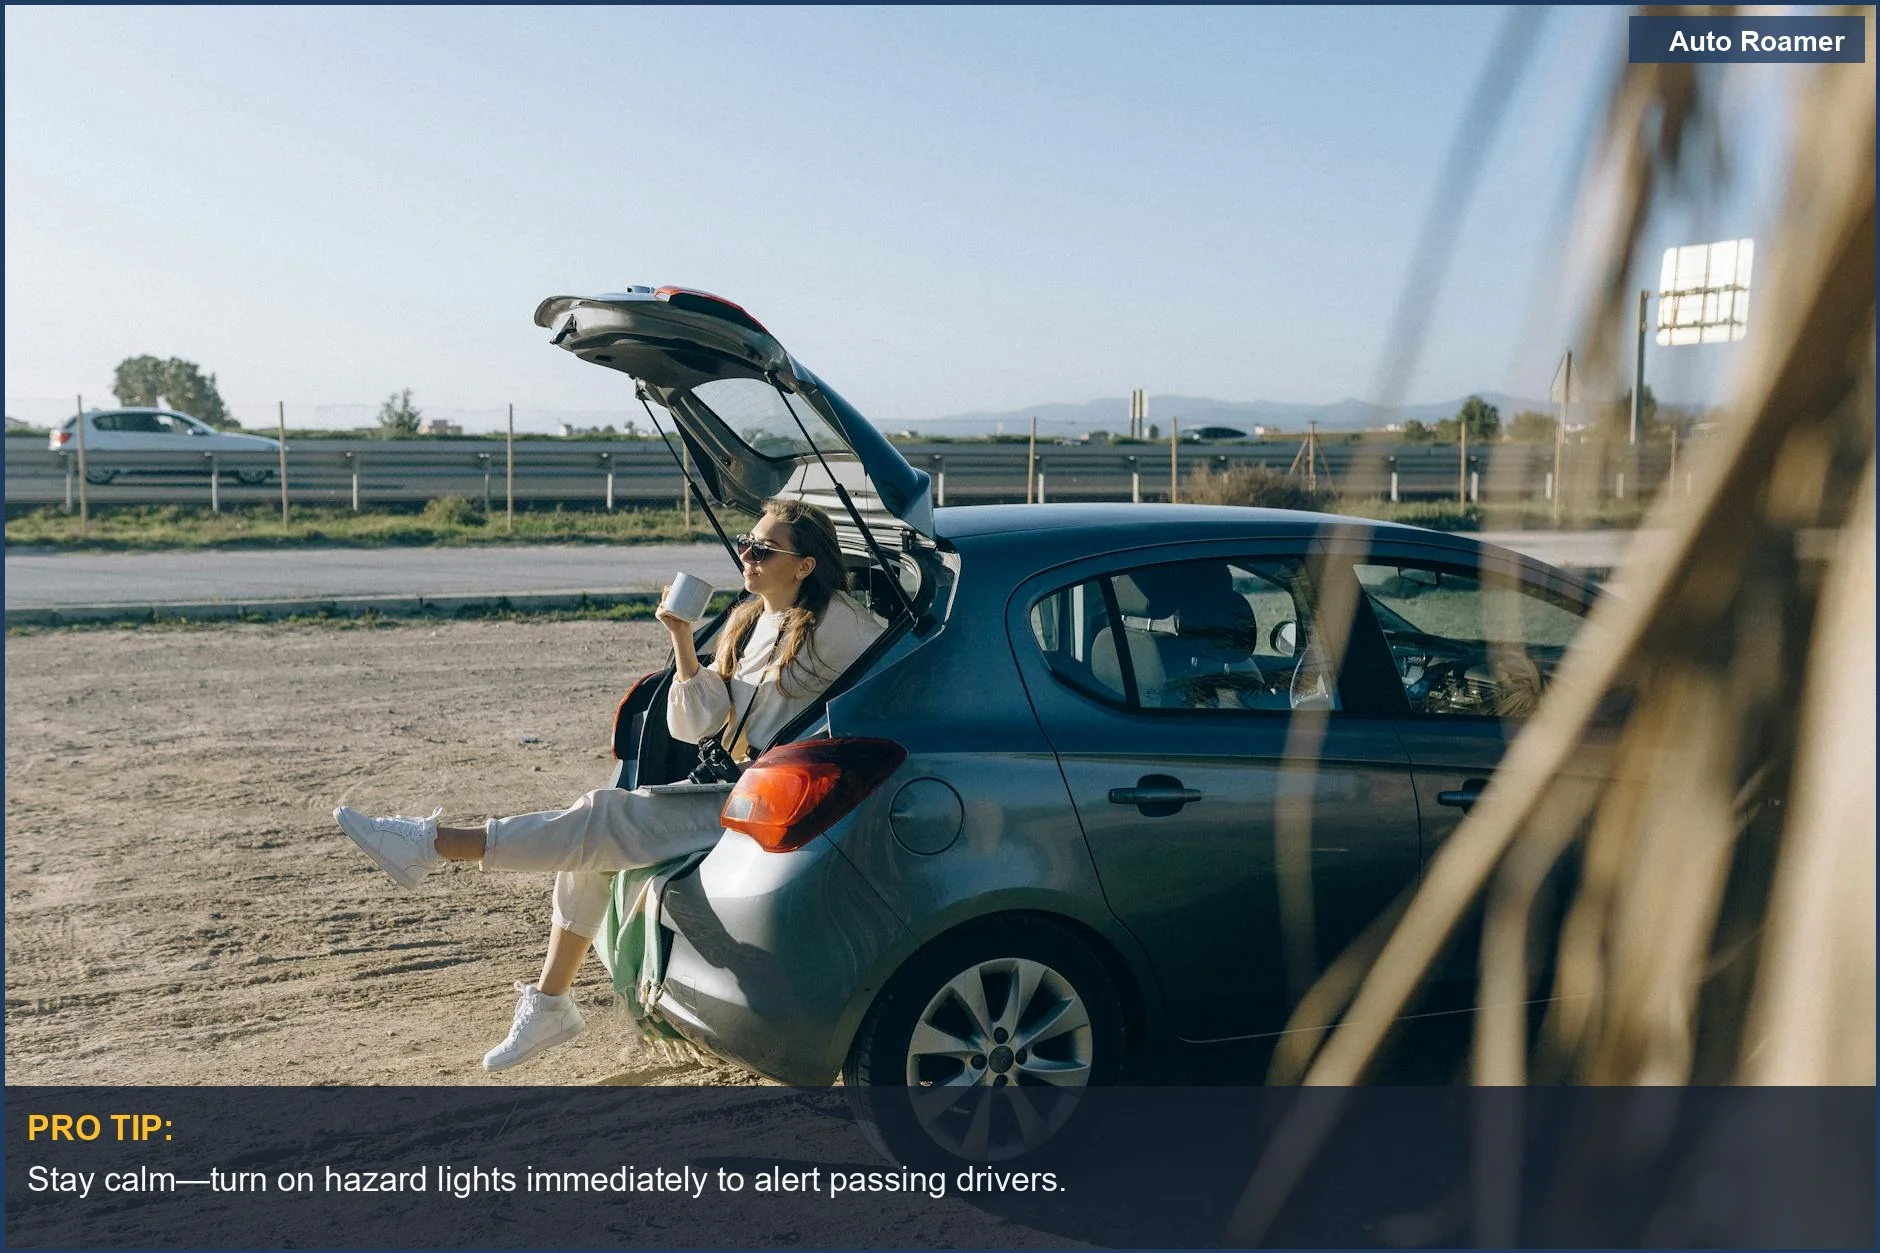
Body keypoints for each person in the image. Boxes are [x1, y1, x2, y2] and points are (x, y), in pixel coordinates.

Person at [332, 499, 884, 1070]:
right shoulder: (749, 621)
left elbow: (898, 664)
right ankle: (549, 1002)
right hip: (727, 783)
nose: (746, 555)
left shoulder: (841, 624)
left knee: (602, 817)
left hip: (773, 796)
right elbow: (698, 723)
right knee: (588, 852)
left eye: (763, 549)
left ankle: (432, 844)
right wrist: (681, 637)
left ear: (805, 566)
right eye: (746, 542)